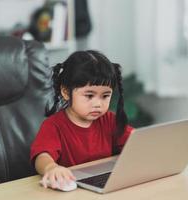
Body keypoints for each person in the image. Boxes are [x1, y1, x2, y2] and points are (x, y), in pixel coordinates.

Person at [30, 50, 134, 190]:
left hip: (104, 186)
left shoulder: (109, 120)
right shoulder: (54, 125)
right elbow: (42, 156)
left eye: (105, 96)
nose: (98, 103)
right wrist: (50, 167)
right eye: (89, 95)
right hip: (72, 188)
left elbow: (136, 142)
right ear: (66, 92)